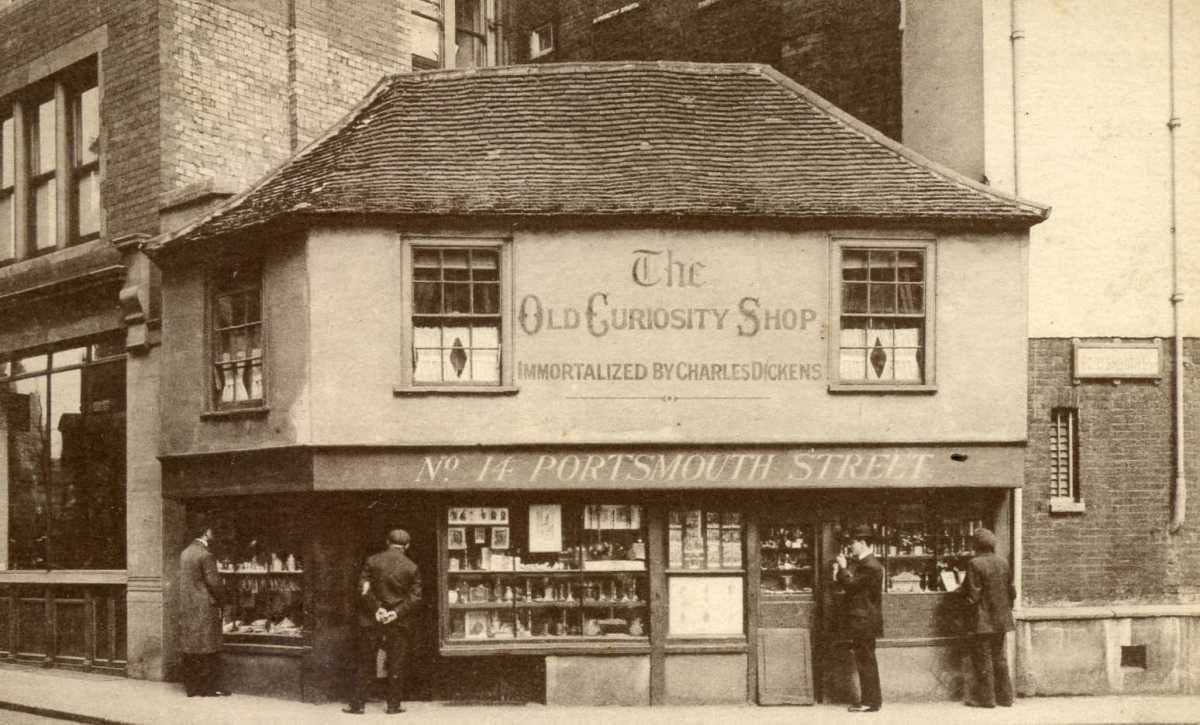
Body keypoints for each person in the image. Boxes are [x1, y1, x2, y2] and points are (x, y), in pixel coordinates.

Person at [345, 528, 422, 715]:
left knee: (365, 661)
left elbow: (363, 588)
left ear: (387, 542)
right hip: (398, 622)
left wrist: (377, 609)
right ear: (407, 546)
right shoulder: (412, 567)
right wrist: (395, 613)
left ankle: (357, 705)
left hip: (372, 619)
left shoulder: (372, 561)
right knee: (397, 662)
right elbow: (415, 597)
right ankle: (393, 706)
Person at [961, 528, 1016, 708]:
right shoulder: (1003, 563)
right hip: (1001, 619)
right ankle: (1006, 697)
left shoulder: (975, 563)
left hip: (982, 621)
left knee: (983, 659)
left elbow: (973, 595)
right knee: (999, 658)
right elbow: (1012, 592)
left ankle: (987, 699)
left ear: (976, 544)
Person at [834, 524, 884, 713]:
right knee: (866, 659)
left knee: (865, 660)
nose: (851, 547)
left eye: (853, 543)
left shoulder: (870, 565)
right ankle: (871, 701)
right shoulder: (866, 564)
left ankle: (870, 703)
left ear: (863, 543)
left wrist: (843, 568)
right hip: (864, 619)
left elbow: (852, 585)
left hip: (863, 620)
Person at [178, 518, 230, 697]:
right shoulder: (205, 554)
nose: (213, 532)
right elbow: (214, 582)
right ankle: (208, 688)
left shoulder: (185, 553)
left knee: (192, 647)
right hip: (205, 606)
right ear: (205, 532)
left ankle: (192, 688)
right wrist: (224, 600)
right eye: (210, 529)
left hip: (188, 606)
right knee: (209, 647)